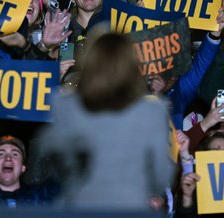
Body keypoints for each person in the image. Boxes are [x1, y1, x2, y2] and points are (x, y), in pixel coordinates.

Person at [38, 32, 174, 209]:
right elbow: (161, 176)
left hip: (79, 206)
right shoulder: (151, 110)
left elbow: (55, 164)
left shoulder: (65, 104)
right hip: (129, 208)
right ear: (132, 65)